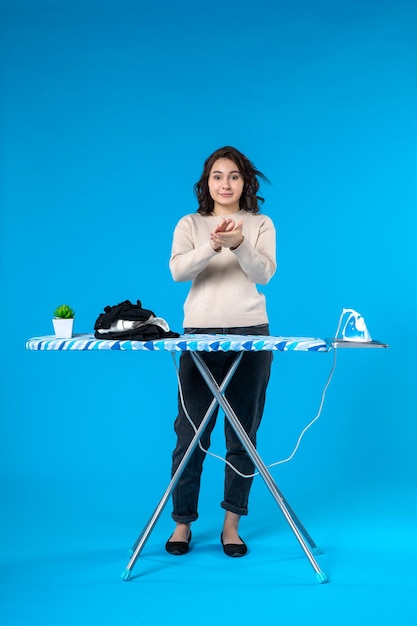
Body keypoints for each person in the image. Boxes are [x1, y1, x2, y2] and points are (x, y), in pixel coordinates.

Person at [166, 146, 276, 557]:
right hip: (198, 336)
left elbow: (264, 272)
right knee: (190, 434)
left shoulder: (261, 223)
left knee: (242, 434)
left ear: (245, 181)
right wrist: (213, 245)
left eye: (233, 176)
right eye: (217, 176)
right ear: (206, 182)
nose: (225, 183)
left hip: (250, 335)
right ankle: (182, 524)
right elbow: (178, 271)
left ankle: (232, 525)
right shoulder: (190, 224)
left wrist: (240, 243)